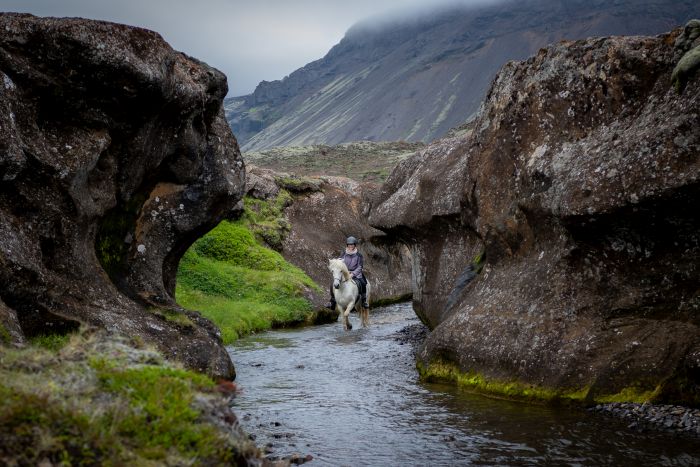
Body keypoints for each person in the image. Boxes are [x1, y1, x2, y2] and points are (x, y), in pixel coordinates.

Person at [326, 236, 369, 309]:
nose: (350, 246)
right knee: (333, 284)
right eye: (349, 245)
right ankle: (332, 301)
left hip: (356, 274)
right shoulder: (343, 254)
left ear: (354, 245)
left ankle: (364, 301)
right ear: (347, 245)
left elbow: (360, 267)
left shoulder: (359, 256)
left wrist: (353, 274)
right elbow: (339, 262)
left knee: (363, 283)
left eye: (352, 245)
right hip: (345, 273)